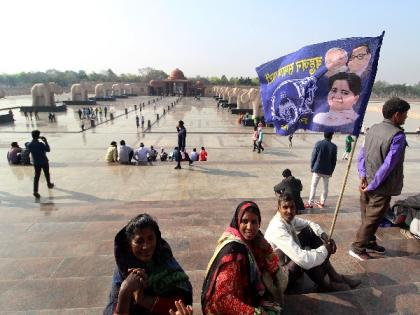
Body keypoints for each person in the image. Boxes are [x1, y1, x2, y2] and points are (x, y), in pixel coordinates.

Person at [349, 97, 410, 261]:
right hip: (379, 187)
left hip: (366, 182)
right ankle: (357, 247)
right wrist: (374, 184)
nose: (406, 118)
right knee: (372, 218)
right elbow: (388, 165)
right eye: (405, 114)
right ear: (397, 115)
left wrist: (362, 176)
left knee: (367, 215)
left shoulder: (372, 129)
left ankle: (369, 242)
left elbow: (362, 154)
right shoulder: (398, 136)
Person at [202, 201, 287, 315]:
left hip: (246, 296)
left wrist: (267, 249)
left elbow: (274, 271)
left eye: (254, 222)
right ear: (238, 221)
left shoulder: (256, 240)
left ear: (259, 223)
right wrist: (254, 313)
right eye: (244, 221)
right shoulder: (234, 251)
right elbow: (222, 299)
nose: (249, 227)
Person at [265, 193, 360, 292]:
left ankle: (334, 276)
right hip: (279, 278)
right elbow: (303, 260)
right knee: (304, 256)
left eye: (292, 207)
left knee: (309, 232)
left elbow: (309, 223)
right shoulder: (277, 228)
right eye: (285, 207)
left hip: (286, 261)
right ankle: (324, 285)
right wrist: (324, 250)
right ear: (278, 209)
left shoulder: (287, 219)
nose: (289, 211)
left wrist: (323, 235)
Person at [104, 214, 193, 315]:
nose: (146, 246)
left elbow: (180, 304)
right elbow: (112, 308)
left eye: (150, 238)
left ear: (157, 239)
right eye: (139, 241)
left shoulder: (165, 262)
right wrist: (125, 289)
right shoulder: (123, 270)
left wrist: (142, 299)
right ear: (129, 244)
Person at [306, 132, 337, 208]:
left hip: (317, 169)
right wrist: (331, 170)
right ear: (331, 136)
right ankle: (322, 202)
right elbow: (334, 161)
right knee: (325, 187)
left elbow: (313, 156)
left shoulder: (318, 143)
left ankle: (310, 203)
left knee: (313, 186)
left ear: (324, 135)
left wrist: (312, 167)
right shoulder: (334, 146)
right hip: (327, 170)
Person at [27, 130, 54, 199]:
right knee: (47, 173)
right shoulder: (40, 144)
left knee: (36, 176)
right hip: (44, 161)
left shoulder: (29, 145)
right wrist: (45, 142)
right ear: (38, 136)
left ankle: (35, 191)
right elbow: (48, 150)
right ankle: (49, 184)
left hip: (36, 162)